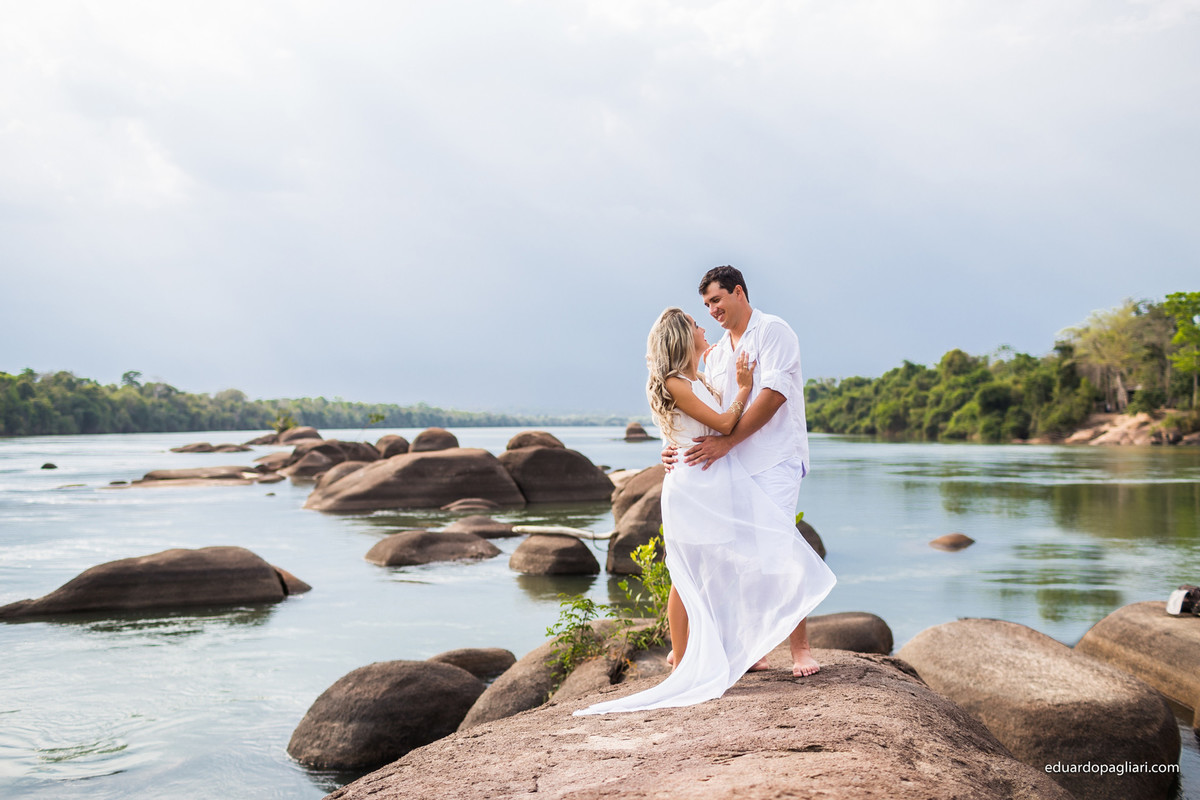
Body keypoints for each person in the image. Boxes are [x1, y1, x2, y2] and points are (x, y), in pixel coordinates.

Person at [573, 304, 835, 716]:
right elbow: (724, 425)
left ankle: (728, 649)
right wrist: (746, 387)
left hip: (714, 482)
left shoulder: (698, 374)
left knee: (719, 567)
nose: (705, 322)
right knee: (688, 571)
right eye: (697, 322)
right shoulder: (677, 381)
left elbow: (694, 424)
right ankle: (682, 659)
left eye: (710, 310)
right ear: (683, 337)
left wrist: (675, 439)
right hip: (697, 487)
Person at [668, 265, 824, 677]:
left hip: (774, 459)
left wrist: (727, 442)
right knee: (736, 560)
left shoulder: (774, 332)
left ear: (738, 292)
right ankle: (751, 648)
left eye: (716, 300)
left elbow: (773, 396)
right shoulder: (716, 353)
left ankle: (801, 649)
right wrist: (670, 449)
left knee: (777, 551)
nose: (712, 310)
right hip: (731, 468)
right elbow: (696, 409)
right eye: (706, 305)